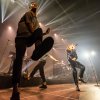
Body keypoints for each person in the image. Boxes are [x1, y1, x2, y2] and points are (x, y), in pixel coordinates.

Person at [10, 2, 50, 100]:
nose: (34, 9)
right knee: (19, 59)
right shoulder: (28, 13)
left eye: (35, 8)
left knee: (39, 30)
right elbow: (29, 25)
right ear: (31, 8)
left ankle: (37, 51)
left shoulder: (36, 20)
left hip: (28, 38)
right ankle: (15, 89)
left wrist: (44, 33)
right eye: (33, 7)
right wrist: (37, 34)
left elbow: (36, 32)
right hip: (21, 38)